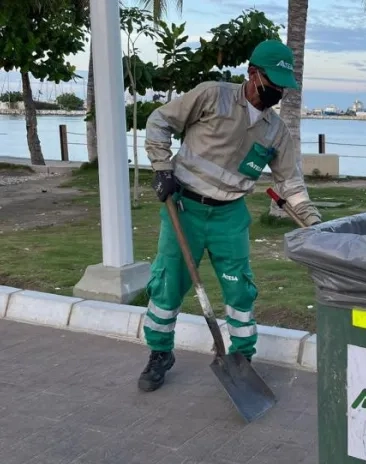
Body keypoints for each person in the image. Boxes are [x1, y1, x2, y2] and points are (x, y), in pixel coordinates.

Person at [137, 39, 322, 392]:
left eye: (283, 86)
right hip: (184, 209)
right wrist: (162, 167)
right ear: (252, 74)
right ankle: (160, 352)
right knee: (168, 284)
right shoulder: (212, 96)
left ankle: (242, 357)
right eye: (273, 83)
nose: (278, 92)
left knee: (240, 291)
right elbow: (159, 120)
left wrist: (314, 224)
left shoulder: (276, 132)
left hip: (230, 217)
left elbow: (291, 184)